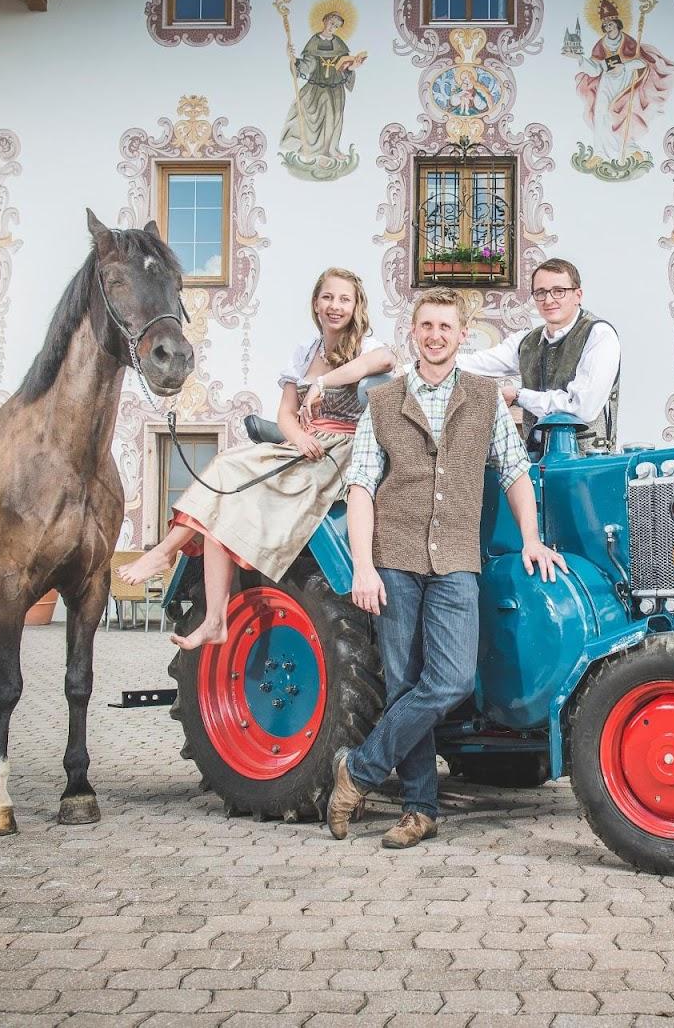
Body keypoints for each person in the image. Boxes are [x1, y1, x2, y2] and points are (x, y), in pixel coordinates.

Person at [327, 285, 567, 849]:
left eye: (446, 328)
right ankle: (418, 809)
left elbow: (513, 472)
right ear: (414, 332)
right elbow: (360, 486)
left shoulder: (485, 399)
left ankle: (358, 770)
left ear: (462, 336)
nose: (435, 336)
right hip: (395, 559)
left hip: (457, 558)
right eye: (426, 326)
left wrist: (531, 538)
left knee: (452, 679)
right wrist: (363, 566)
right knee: (404, 682)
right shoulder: (383, 402)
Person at [118, 267, 395, 650]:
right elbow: (285, 414)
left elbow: (383, 360)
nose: (335, 306)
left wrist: (323, 382)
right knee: (224, 474)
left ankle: (165, 554)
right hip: (303, 445)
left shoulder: (364, 344)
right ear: (316, 303)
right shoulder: (305, 352)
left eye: (344, 299)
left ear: (355, 305)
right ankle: (212, 615)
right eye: (328, 297)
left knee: (230, 480)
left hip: (340, 451)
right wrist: (297, 436)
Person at [459, 258, 621, 452]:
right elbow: (477, 363)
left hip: (587, 464)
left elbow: (582, 407)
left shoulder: (599, 335)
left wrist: (519, 395)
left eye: (559, 291)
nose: (549, 300)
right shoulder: (527, 341)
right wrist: (424, 365)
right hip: (536, 458)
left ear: (578, 295)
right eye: (541, 292)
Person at [568, 0, 674, 164]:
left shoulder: (628, 42)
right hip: (606, 83)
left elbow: (641, 61)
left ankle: (630, 150)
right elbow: (596, 69)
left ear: (617, 24)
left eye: (611, 24)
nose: (608, 27)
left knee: (622, 115)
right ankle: (599, 154)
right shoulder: (600, 45)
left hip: (625, 82)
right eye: (606, 25)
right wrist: (580, 59)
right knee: (601, 114)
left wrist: (624, 67)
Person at [279, 10, 365, 162]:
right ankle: (313, 150)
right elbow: (308, 65)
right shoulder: (314, 42)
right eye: (332, 23)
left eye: (337, 26)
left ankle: (332, 150)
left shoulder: (339, 44)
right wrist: (294, 60)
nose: (333, 28)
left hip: (335, 89)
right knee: (312, 117)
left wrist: (352, 67)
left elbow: (343, 67)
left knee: (334, 118)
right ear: (325, 21)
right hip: (317, 88)